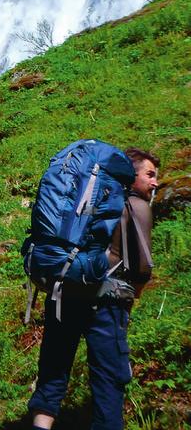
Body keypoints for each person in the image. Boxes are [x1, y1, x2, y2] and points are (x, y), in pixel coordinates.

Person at [28, 148, 160, 430]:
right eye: (149, 175)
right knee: (108, 381)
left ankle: (40, 425)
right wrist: (133, 297)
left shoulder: (89, 198)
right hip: (106, 304)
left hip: (63, 292)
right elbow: (142, 269)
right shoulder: (135, 206)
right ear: (130, 173)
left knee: (53, 371)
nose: (155, 182)